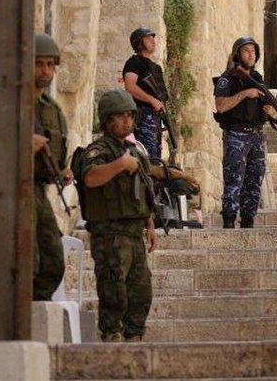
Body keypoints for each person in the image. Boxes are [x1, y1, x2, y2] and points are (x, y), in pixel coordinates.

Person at [80, 89, 158, 342]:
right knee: (114, 294)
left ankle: (134, 341)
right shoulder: (97, 150)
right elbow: (90, 178)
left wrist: (150, 224)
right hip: (110, 235)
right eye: (121, 116)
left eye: (130, 116)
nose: (127, 121)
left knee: (141, 294)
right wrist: (119, 165)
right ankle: (112, 340)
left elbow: (143, 190)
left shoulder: (134, 151)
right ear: (107, 119)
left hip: (134, 234)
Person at [213, 36, 276, 229]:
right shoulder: (227, 79)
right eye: (246, 51)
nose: (251, 55)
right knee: (234, 179)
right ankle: (229, 221)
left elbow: (266, 106)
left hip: (256, 135)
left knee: (255, 180)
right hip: (236, 135)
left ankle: (248, 221)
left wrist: (269, 111)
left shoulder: (257, 79)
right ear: (238, 54)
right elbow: (221, 106)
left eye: (253, 51)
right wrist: (245, 94)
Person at [32, 32, 73, 301]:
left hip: (38, 190)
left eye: (49, 65)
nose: (45, 71)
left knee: (52, 259)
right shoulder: (11, 102)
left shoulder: (51, 109)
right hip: (12, 188)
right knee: (28, 258)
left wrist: (62, 172)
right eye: (39, 64)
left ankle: (36, 309)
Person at [122, 26, 169, 159]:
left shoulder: (156, 68)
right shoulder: (134, 62)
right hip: (142, 117)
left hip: (156, 118)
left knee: (154, 159)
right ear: (139, 43)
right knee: (144, 157)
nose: (153, 40)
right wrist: (152, 100)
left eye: (153, 37)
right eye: (148, 38)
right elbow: (130, 87)